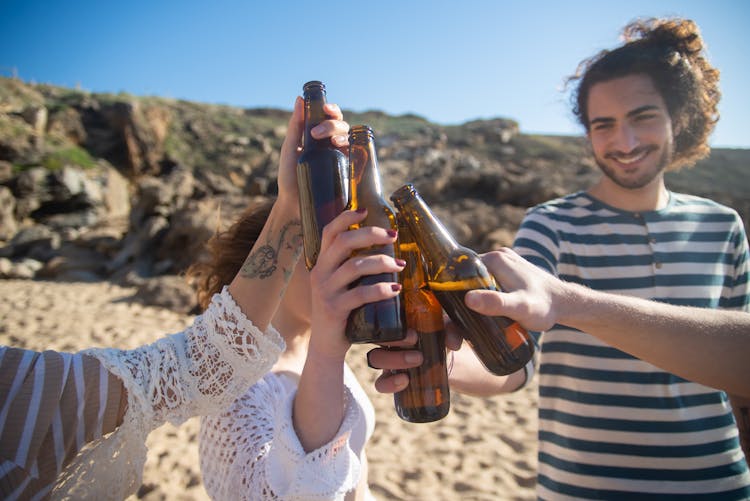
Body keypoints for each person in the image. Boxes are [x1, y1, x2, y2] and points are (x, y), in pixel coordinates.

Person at [370, 17, 750, 498]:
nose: (625, 142)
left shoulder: (724, 226)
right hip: (583, 489)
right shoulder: (550, 225)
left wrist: (567, 302)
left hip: (718, 487)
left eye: (644, 116)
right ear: (587, 133)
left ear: (681, 117)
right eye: (604, 124)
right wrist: (440, 362)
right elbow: (514, 361)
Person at [0, 94, 355, 499]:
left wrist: (293, 208)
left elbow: (198, 365)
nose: (336, 263)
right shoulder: (249, 396)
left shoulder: (20, 387)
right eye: (316, 252)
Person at [191, 201, 404, 501]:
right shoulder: (240, 389)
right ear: (276, 266)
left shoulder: (317, 348)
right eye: (326, 255)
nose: (348, 270)